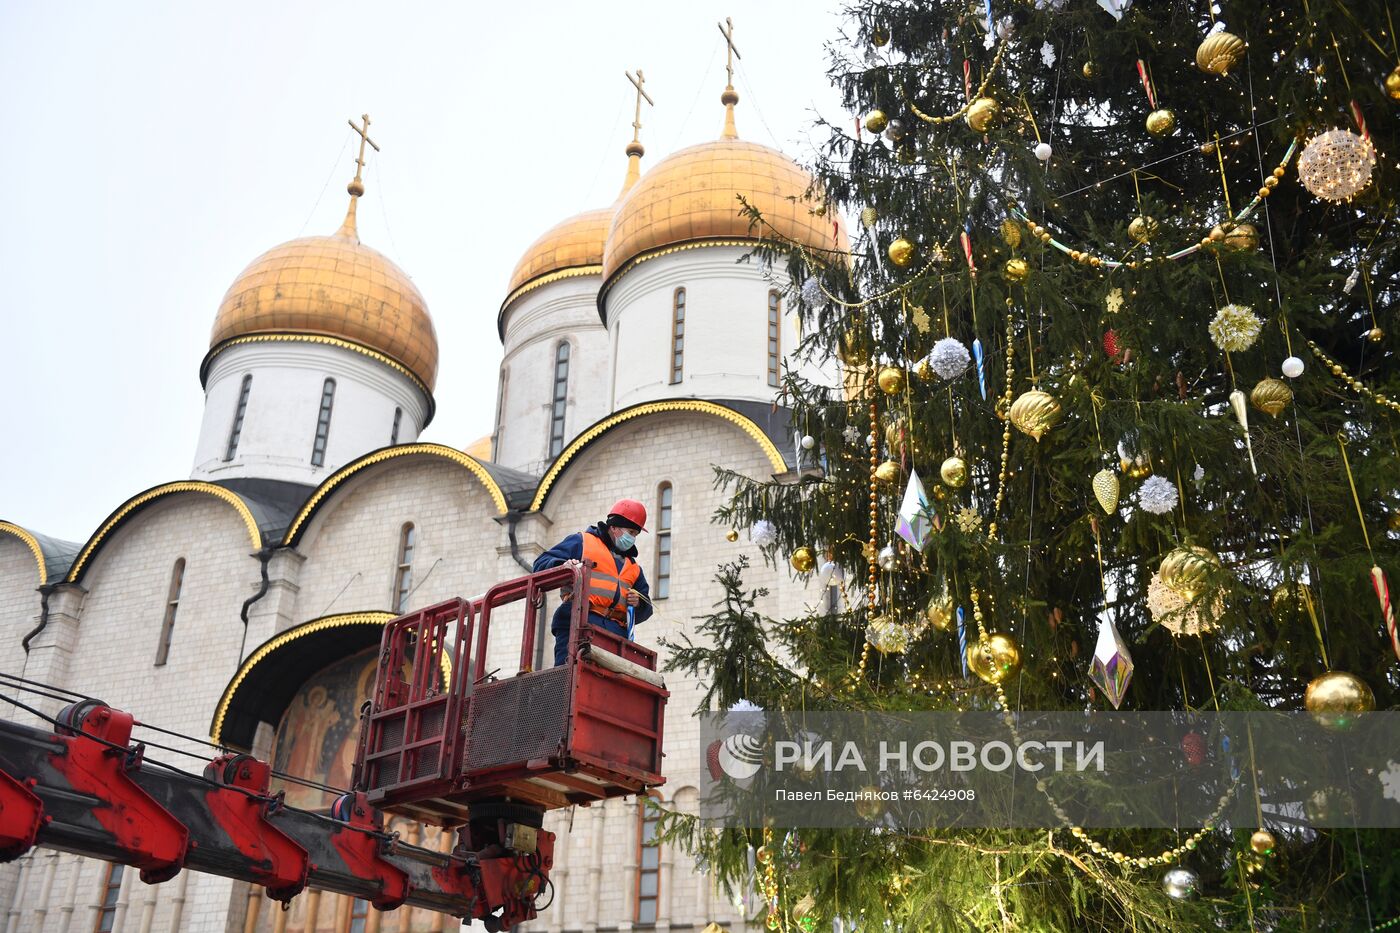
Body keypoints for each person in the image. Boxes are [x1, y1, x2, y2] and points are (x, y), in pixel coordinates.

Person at [533, 499, 654, 666]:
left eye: (635, 535)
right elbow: (541, 564)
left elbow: (647, 608)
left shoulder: (633, 568)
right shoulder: (582, 542)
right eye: (631, 532)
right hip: (578, 623)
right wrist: (563, 567)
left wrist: (639, 604)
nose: (632, 538)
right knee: (569, 679)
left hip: (614, 635)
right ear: (614, 527)